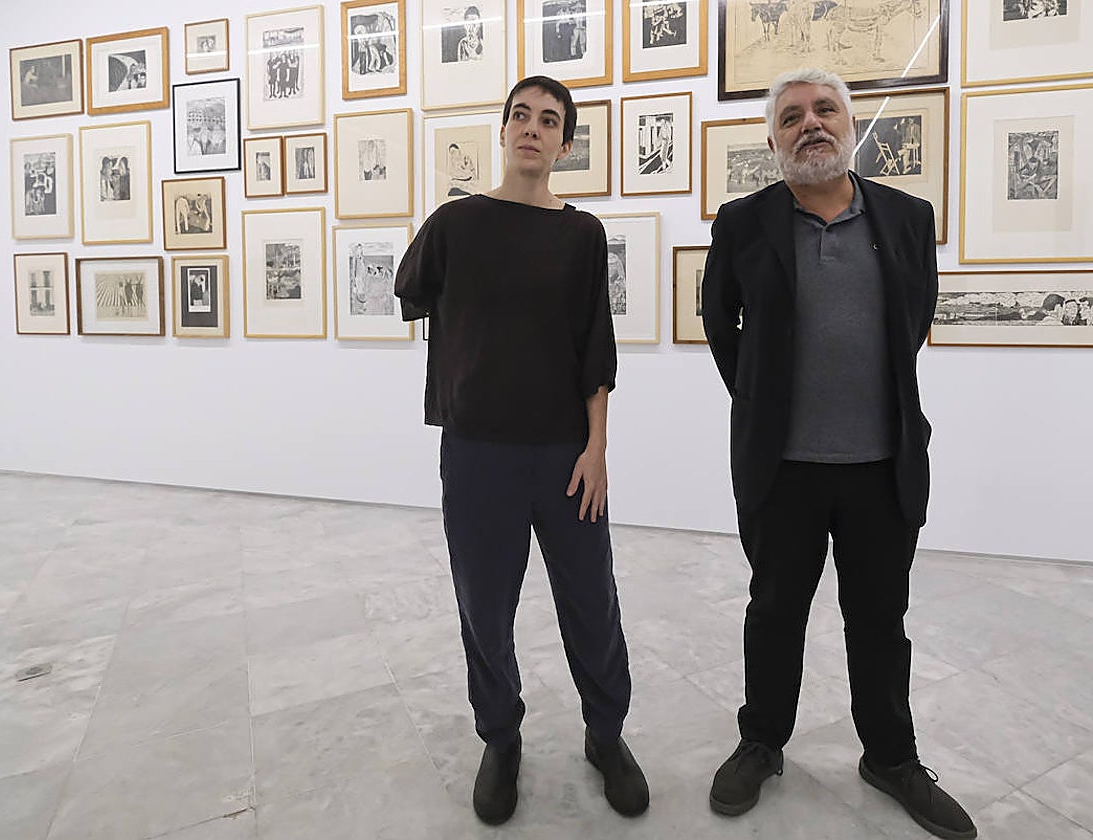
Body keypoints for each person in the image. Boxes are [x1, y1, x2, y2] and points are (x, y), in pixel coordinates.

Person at [701, 68, 976, 840]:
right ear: (772, 140)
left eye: (825, 110)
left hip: (881, 467)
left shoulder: (908, 218)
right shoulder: (744, 222)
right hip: (782, 468)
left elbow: (911, 321)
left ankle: (890, 757)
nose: (810, 124)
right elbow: (722, 325)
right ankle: (762, 742)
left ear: (852, 126)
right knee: (775, 613)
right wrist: (760, 400)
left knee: (881, 621)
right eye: (792, 116)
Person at [394, 75, 648, 827]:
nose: (532, 128)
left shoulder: (582, 234)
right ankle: (500, 739)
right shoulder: (455, 224)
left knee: (591, 602)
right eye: (520, 116)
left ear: (564, 143)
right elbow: (415, 291)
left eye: (548, 120)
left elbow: (593, 350)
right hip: (476, 453)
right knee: (484, 607)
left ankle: (606, 736)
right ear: (502, 131)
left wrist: (598, 447)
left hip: (565, 452)